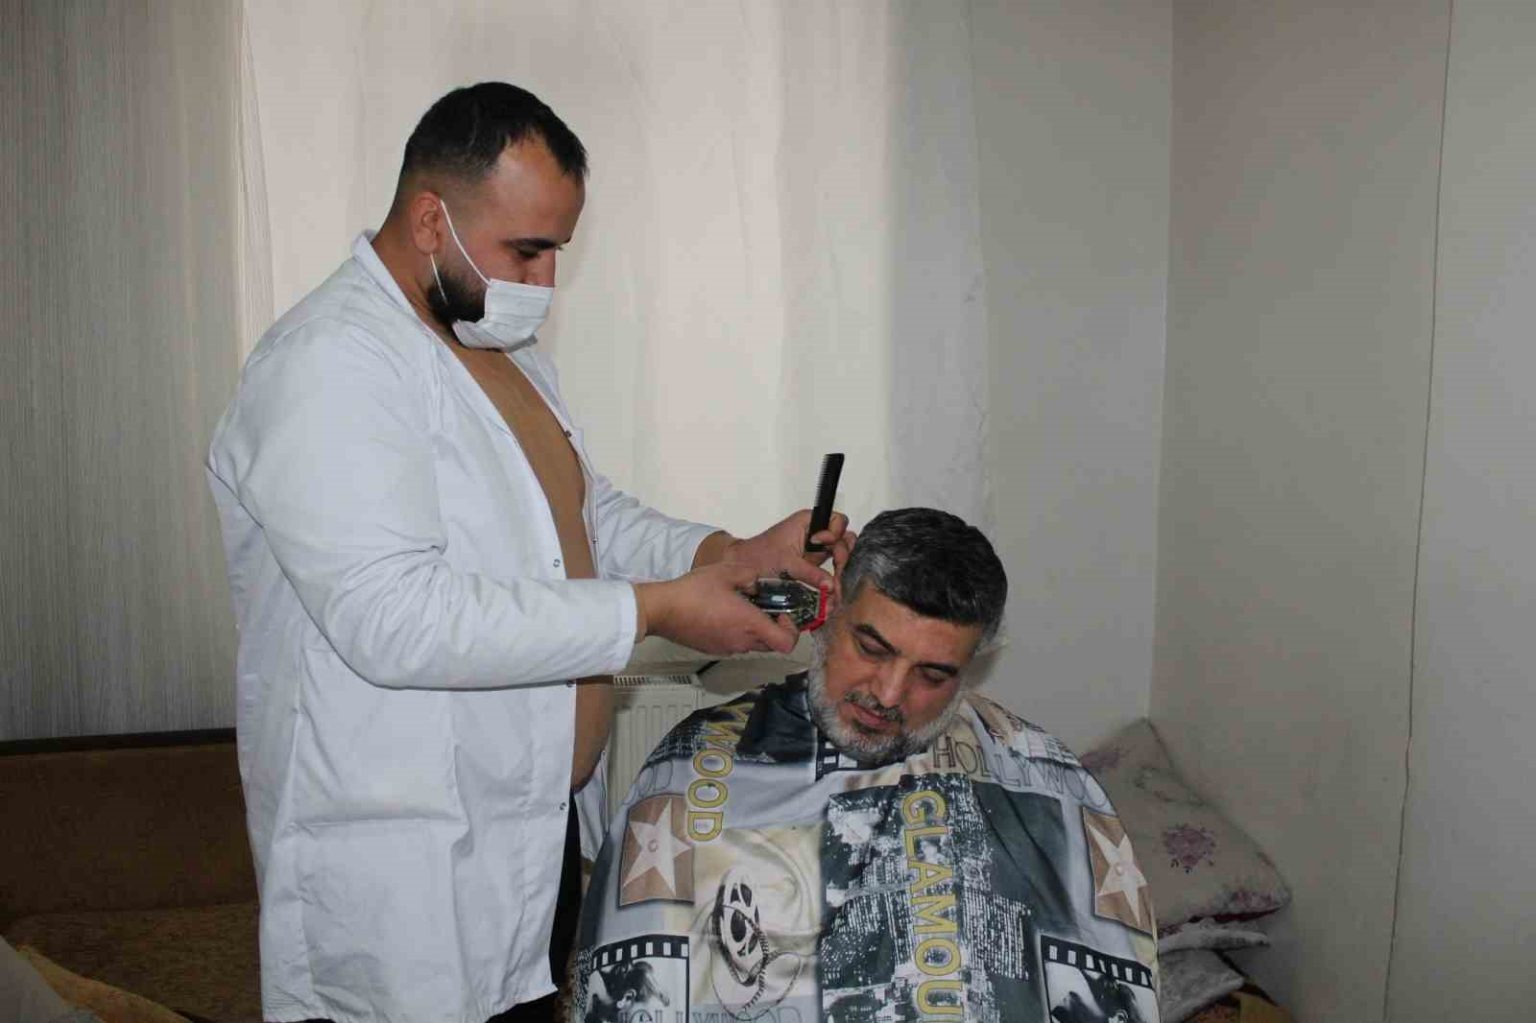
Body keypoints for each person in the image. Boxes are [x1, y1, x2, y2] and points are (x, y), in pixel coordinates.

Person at [206, 82, 849, 1023]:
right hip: (407, 869)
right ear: (432, 219)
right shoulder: (329, 366)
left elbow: (582, 518)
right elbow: (393, 618)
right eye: (526, 250)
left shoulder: (490, 342)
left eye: (556, 252)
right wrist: (658, 608)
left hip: (526, 841)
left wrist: (728, 552)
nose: (544, 284)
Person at [574, 508, 1161, 1023]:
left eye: (933, 674)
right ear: (830, 609)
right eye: (873, 649)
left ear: (972, 666)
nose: (888, 693)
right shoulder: (699, 765)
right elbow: (630, 988)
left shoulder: (1043, 776)